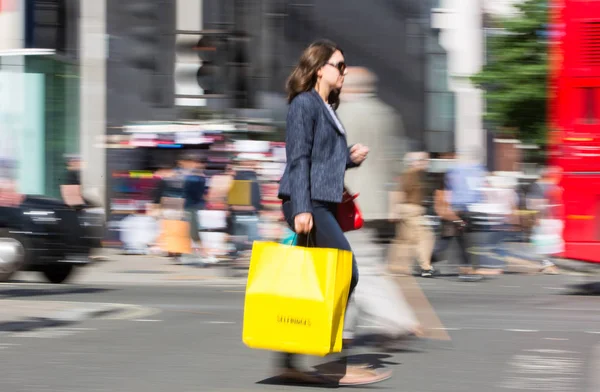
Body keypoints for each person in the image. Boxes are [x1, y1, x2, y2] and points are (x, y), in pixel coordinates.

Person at [277, 39, 391, 386]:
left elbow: (320, 161)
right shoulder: (304, 105)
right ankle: (330, 358)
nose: (343, 72)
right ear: (319, 68)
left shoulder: (326, 107)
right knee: (345, 271)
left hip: (319, 201)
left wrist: (348, 159)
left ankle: (291, 360)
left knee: (318, 281)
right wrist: (300, 207)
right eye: (339, 66)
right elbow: (297, 159)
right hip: (307, 203)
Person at [394, 151, 436, 277]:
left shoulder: (417, 174)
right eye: (422, 161)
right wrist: (396, 209)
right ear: (414, 163)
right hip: (412, 210)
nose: (426, 163)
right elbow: (399, 192)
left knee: (406, 240)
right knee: (426, 236)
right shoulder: (410, 175)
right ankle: (425, 267)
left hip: (411, 210)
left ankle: (397, 266)